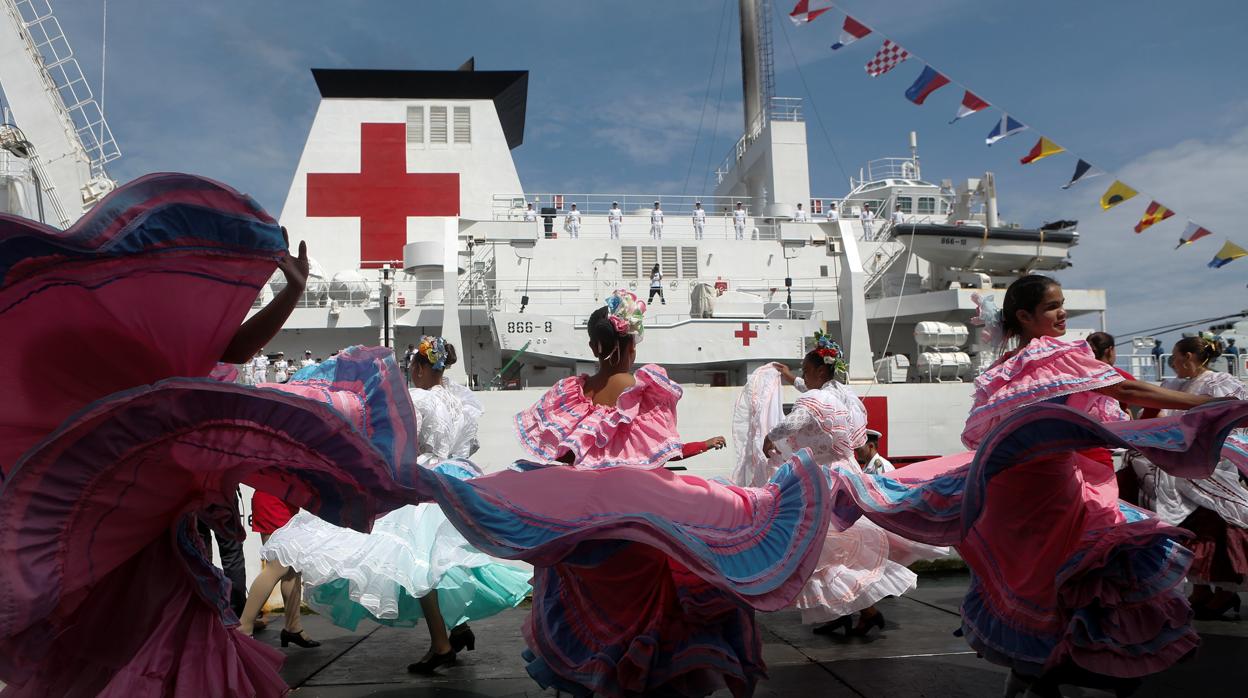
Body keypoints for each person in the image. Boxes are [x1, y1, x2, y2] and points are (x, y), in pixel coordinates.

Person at [0, 174, 420, 697]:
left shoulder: (106, 352)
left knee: (147, 630)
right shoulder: (101, 358)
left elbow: (233, 351)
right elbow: (232, 354)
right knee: (153, 630)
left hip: (135, 532)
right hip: (119, 534)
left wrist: (291, 292)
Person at [395, 289, 835, 696]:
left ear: (593, 346)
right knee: (668, 595)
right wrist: (693, 457)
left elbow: (564, 461)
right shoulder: (643, 391)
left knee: (593, 615)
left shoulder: (572, 394)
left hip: (585, 532)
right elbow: (658, 454)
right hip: (636, 526)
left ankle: (604, 674)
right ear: (633, 344)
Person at [825, 274, 1242, 697]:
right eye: (1052, 307)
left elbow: (986, 436)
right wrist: (1206, 403)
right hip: (1055, 486)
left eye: (1061, 304)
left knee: (1043, 578)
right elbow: (1127, 388)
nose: (1062, 313)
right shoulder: (1056, 355)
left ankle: (1036, 673)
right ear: (1024, 316)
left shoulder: (1004, 369)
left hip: (1019, 488)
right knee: (1084, 568)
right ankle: (1067, 669)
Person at [248, 337, 531, 674]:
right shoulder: (462, 401)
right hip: (455, 479)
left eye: (413, 366)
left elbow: (396, 437)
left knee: (419, 563)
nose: (410, 373)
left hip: (421, 480)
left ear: (423, 367)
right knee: (444, 558)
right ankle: (457, 627)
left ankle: (442, 643)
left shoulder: (420, 399)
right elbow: (469, 445)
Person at [734, 340, 946, 637]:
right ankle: (849, 611)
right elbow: (849, 437)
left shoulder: (814, 400)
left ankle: (860, 610)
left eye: (807, 371)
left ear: (821, 371)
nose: (803, 377)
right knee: (837, 545)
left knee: (823, 546)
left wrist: (770, 436)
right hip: (845, 472)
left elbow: (793, 423)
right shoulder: (840, 398)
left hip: (825, 481)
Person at [1131, 334, 1248, 621]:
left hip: (1208, 465)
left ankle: (1224, 590)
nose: (1172, 363)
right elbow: (1156, 415)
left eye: (1174, 357)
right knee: (1188, 528)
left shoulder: (1218, 383)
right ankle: (1200, 590)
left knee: (1216, 524)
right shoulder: (1172, 385)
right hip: (1174, 466)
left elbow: (1232, 421)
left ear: (1188, 357)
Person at [245, 490, 317, 648]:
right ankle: (243, 627)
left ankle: (293, 627)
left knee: (292, 569)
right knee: (278, 566)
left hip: (287, 501)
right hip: (273, 500)